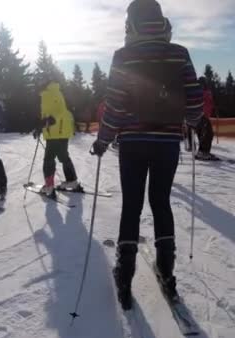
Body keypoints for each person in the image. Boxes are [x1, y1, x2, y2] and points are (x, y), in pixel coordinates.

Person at [90, 0, 203, 311]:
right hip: (167, 142)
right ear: (160, 20)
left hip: (133, 142)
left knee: (132, 204)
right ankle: (166, 272)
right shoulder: (179, 53)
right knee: (161, 202)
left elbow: (114, 106)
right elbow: (194, 99)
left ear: (131, 23)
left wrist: (103, 139)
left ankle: (125, 276)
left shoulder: (123, 56)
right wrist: (193, 123)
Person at [33, 80, 80, 198]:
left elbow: (61, 111)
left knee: (48, 159)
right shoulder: (52, 92)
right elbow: (50, 115)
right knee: (63, 156)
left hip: (56, 132)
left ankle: (49, 186)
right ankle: (72, 181)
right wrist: (41, 126)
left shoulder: (50, 93)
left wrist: (49, 121)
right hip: (60, 131)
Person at [193, 77, 218, 160]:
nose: (202, 85)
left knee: (204, 134)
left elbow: (210, 103)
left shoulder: (205, 92)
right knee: (208, 133)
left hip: (203, 115)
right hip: (201, 115)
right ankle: (203, 152)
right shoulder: (202, 93)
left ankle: (203, 151)